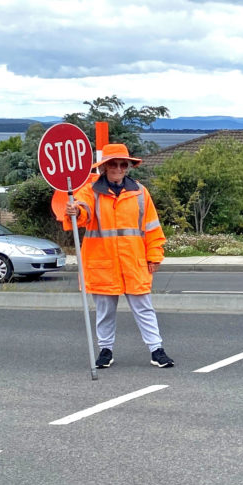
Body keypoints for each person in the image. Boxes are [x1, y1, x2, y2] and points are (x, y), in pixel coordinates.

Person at [63, 143, 174, 369]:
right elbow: (83, 211)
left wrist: (154, 256)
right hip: (102, 262)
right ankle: (105, 350)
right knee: (104, 311)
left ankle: (157, 350)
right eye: (113, 164)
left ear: (128, 167)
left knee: (144, 308)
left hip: (133, 261)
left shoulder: (140, 192)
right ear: (105, 167)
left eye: (123, 164)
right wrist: (75, 211)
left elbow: (152, 228)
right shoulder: (91, 191)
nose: (119, 168)